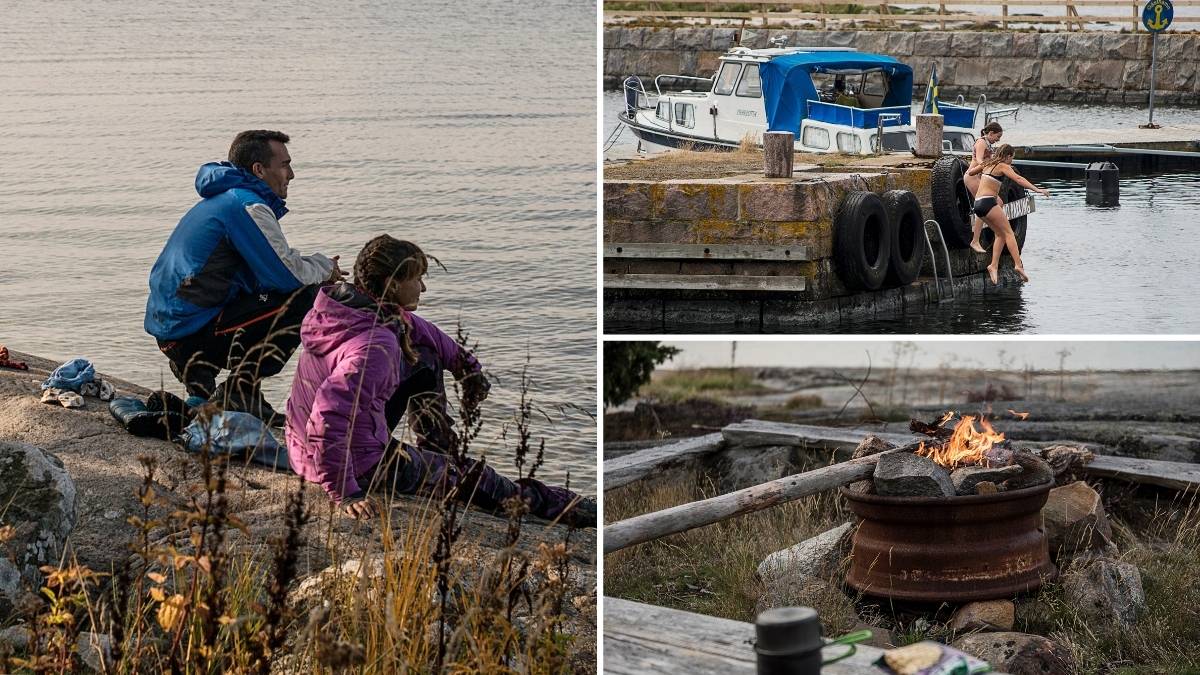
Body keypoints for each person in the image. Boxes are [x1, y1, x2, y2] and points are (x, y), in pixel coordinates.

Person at [285, 235, 595, 527]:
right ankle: (564, 507)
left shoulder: (345, 309)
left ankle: (438, 448)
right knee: (479, 479)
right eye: (417, 279)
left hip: (309, 448)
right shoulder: (375, 347)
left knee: (425, 357)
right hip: (356, 464)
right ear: (393, 284)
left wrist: (468, 369)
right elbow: (328, 417)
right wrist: (345, 492)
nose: (423, 287)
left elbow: (422, 331)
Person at [144, 130, 344, 425]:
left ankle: (203, 378)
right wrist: (325, 268)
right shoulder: (247, 206)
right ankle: (241, 391)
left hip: (174, 331)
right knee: (308, 296)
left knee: (271, 287)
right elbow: (288, 275)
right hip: (190, 333)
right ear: (259, 169)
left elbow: (266, 271)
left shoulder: (224, 199)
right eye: (285, 165)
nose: (291, 174)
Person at [966, 144, 1050, 285]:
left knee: (1000, 234)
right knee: (1009, 233)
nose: (1012, 161)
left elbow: (971, 173)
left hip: (978, 205)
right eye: (1012, 158)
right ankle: (1018, 265)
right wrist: (1038, 190)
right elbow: (1019, 179)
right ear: (1008, 156)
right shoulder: (1003, 166)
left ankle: (993, 266)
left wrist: (979, 163)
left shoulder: (987, 163)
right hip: (988, 202)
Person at [965, 121, 1004, 254]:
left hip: (981, 178)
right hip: (972, 177)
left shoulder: (988, 144)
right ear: (991, 133)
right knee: (982, 207)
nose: (998, 140)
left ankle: (996, 231)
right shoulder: (981, 142)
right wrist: (989, 167)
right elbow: (980, 160)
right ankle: (975, 240)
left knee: (999, 202)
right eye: (998, 137)